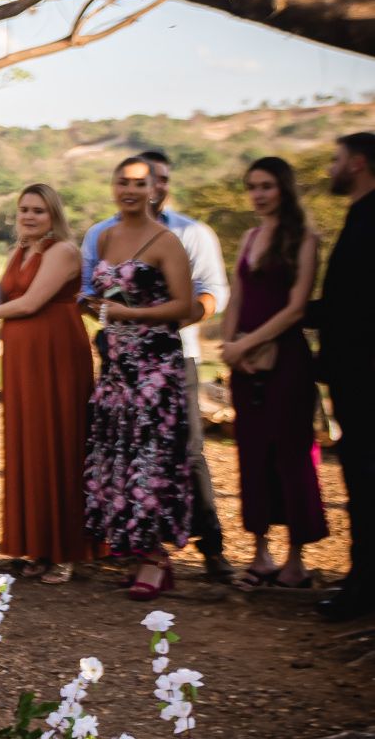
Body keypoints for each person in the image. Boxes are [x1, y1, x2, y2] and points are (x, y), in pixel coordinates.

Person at [81, 150, 231, 583]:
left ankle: (162, 559)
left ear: (155, 189)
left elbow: (186, 304)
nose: (130, 190)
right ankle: (135, 548)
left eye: (139, 183)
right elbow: (93, 292)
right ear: (113, 186)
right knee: (120, 452)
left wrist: (129, 316)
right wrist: (99, 310)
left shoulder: (171, 240)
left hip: (158, 364)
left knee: (159, 455)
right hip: (117, 363)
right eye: (123, 182)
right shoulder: (104, 237)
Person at [0, 182, 91, 581]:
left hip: (56, 353)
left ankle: (63, 550)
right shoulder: (17, 252)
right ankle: (36, 546)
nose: (29, 216)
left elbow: (29, 304)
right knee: (30, 445)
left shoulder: (63, 251)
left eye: (39, 211)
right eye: (24, 209)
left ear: (53, 216)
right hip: (22, 359)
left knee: (58, 443)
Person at [219, 157, 326, 590]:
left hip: (287, 361)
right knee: (253, 454)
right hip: (245, 365)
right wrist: (229, 349)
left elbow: (297, 307)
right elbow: (236, 298)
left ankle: (296, 559)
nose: (258, 194)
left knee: (292, 456)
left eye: (266, 186)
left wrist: (247, 344)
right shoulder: (249, 237)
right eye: (252, 187)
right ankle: (260, 553)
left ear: (283, 188)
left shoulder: (304, 238)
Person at [314, 130, 375, 625]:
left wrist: (294, 317)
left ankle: (361, 589)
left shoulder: (370, 217)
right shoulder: (360, 215)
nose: (330, 169)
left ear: (357, 163)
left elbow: (352, 304)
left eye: (336, 160)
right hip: (351, 374)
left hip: (365, 377)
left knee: (365, 482)